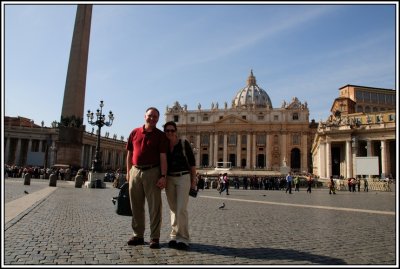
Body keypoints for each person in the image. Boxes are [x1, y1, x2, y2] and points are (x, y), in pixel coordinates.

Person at [126, 107, 168, 249]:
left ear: (158, 119)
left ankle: (154, 237)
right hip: (135, 171)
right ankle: (137, 235)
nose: (152, 118)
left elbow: (163, 157)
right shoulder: (134, 132)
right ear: (145, 116)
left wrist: (163, 176)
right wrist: (128, 172)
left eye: (155, 117)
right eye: (150, 115)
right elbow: (129, 154)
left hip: (152, 171)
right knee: (136, 205)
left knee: (154, 206)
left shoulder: (160, 136)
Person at [163, 121, 197, 251]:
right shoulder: (164, 145)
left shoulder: (184, 143)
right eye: (167, 131)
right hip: (169, 179)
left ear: (176, 131)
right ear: (165, 132)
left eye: (172, 130)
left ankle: (183, 238)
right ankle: (174, 235)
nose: (170, 133)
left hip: (183, 177)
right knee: (173, 209)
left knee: (181, 208)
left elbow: (192, 164)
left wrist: (193, 182)